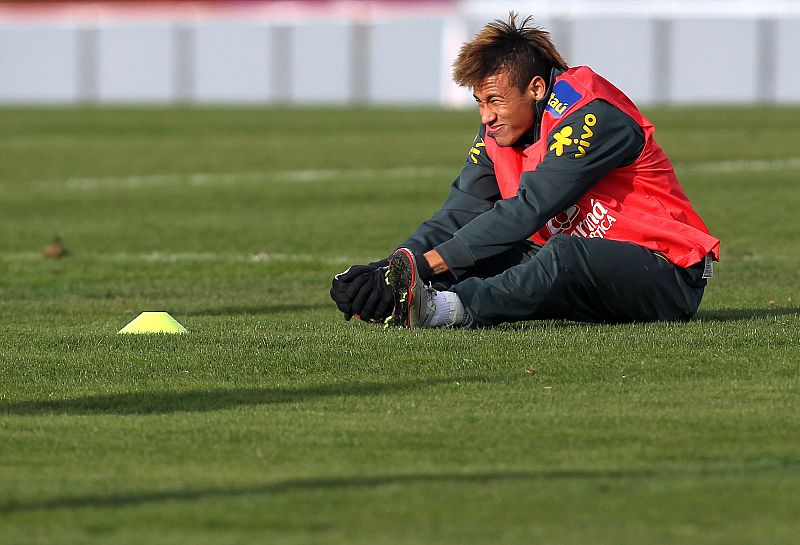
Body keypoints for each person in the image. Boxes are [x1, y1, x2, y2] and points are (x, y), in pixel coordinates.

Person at [330, 12, 720, 329]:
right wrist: (388, 269)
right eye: (479, 101)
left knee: (560, 253)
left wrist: (423, 265)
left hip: (665, 273)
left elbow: (530, 208)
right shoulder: (497, 133)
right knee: (485, 253)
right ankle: (406, 302)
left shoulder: (590, 115)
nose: (486, 116)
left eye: (495, 100)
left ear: (535, 88)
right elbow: (456, 215)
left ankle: (445, 311)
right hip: (581, 269)